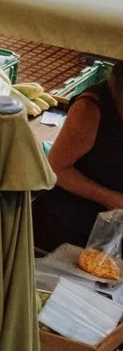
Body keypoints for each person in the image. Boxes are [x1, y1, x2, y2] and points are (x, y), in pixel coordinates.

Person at [37, 70, 123, 254]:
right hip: (71, 224)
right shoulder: (90, 109)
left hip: (113, 231)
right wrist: (112, 199)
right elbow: (57, 168)